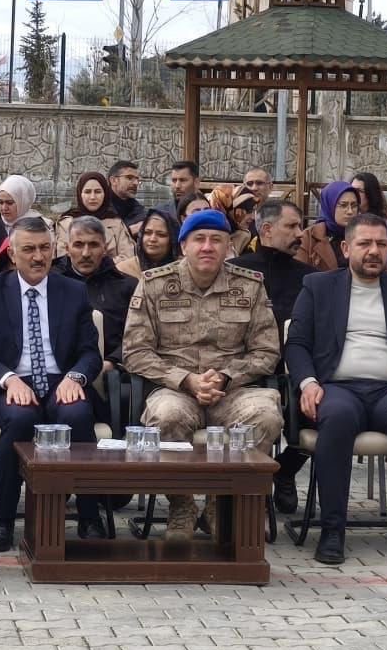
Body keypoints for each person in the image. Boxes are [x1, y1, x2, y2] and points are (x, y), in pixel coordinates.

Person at [120, 209, 284, 541]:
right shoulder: (154, 285)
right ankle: (182, 505)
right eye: (199, 239)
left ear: (229, 248)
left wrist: (225, 376)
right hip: (176, 387)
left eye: (216, 240)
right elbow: (135, 351)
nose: (207, 247)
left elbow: (267, 351)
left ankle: (218, 504)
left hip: (234, 390)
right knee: (165, 417)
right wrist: (185, 380)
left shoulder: (249, 287)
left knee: (266, 417)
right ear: (183, 246)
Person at [287, 213, 387, 565]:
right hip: (338, 388)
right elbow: (296, 344)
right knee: (337, 417)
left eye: (382, 244)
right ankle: (332, 528)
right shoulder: (318, 286)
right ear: (345, 248)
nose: (375, 251)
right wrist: (308, 383)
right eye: (365, 243)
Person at [0, 217, 105, 553]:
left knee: (77, 413)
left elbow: (90, 352)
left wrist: (76, 377)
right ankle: (3, 519)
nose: (38, 257)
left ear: (54, 250)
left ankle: (88, 516)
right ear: (13, 254)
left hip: (62, 380)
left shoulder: (72, 291)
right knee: (20, 419)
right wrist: (7, 378)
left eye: (45, 248)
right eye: (29, 249)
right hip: (15, 382)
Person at [229, 198, 314, 515]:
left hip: (296, 372)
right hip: (245, 374)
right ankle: (251, 489)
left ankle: (285, 470)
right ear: (266, 229)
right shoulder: (236, 272)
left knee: (321, 410)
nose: (300, 234)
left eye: (300, 226)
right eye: (291, 226)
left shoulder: (311, 278)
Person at [53, 214, 137, 370]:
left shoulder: (127, 286)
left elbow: (137, 333)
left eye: (93, 245)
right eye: (78, 245)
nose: (86, 253)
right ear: (67, 248)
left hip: (113, 374)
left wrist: (113, 361)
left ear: (105, 249)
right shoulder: (50, 284)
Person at [55, 171, 135, 262]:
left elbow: (128, 259)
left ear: (105, 194)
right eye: (87, 192)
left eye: (97, 192)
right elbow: (61, 259)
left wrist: (102, 266)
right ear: (80, 194)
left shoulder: (115, 223)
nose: (92, 197)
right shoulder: (67, 223)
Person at [301, 181, 357, 272]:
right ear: (329, 205)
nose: (350, 211)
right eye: (343, 205)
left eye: (354, 205)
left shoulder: (364, 234)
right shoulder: (308, 238)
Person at [117, 208, 179, 279]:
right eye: (147, 233)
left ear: (172, 239)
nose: (152, 239)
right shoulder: (123, 270)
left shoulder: (183, 269)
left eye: (161, 235)